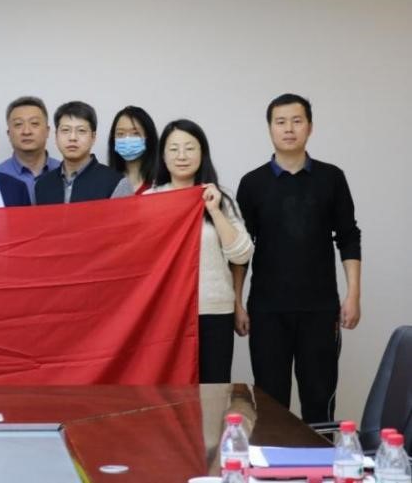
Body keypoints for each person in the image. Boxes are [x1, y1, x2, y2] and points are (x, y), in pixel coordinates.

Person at [235, 93, 361, 423]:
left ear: (310, 127)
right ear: (270, 129)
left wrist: (353, 295)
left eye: (296, 121)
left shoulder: (332, 178)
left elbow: (348, 237)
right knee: (271, 405)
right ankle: (275, 460)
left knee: (319, 402)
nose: (289, 129)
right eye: (281, 122)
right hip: (267, 311)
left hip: (320, 310)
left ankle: (321, 458)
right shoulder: (252, 184)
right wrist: (237, 302)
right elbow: (241, 251)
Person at [147, 119, 253, 384]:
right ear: (163, 156)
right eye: (174, 149)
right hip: (166, 312)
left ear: (202, 153)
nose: (182, 156)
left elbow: (241, 254)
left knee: (213, 391)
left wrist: (214, 210)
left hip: (213, 311)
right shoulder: (150, 200)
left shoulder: (221, 197)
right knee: (168, 393)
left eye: (190, 148)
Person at [36, 101, 131, 204]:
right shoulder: (42, 185)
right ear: (56, 136)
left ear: (93, 137)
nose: (72, 137)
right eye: (65, 130)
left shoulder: (115, 182)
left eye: (81, 130)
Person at [0, 96, 61, 203]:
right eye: (18, 124)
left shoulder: (64, 172)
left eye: (34, 123)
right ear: (9, 134)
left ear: (47, 131)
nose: (26, 131)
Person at [108, 105, 159, 195]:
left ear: (149, 137)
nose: (127, 139)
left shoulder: (161, 182)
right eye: (120, 133)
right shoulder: (107, 182)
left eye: (135, 133)